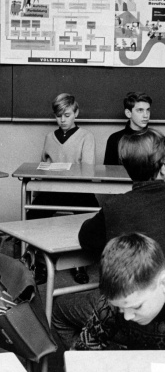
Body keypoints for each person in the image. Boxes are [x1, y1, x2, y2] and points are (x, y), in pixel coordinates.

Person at [52, 128, 165, 348]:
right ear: (164, 167)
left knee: (59, 310)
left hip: (130, 311)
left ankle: (103, 364)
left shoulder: (116, 206)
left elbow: (87, 239)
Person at [72, 234, 165, 350]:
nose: (126, 316)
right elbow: (84, 349)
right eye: (120, 308)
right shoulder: (122, 298)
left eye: (137, 307)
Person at [28, 93, 98, 283]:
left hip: (78, 189)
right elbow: (43, 165)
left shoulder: (86, 136)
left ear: (76, 113)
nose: (63, 120)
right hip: (54, 189)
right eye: (59, 116)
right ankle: (40, 262)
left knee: (90, 217)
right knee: (33, 215)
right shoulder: (50, 137)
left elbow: (88, 168)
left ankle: (79, 264)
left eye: (67, 115)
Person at [103, 92, 165, 167]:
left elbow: (164, 171)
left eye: (148, 110)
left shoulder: (156, 138)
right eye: (140, 110)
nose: (146, 115)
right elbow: (108, 173)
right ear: (128, 113)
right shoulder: (115, 139)